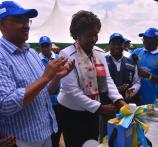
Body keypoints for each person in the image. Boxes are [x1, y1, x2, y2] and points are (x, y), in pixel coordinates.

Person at [0, 1, 73, 147]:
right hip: (21, 140)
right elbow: (6, 105)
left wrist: (56, 78)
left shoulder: (32, 53)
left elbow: (47, 91)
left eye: (27, 20)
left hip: (46, 132)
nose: (26, 25)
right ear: (2, 25)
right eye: (18, 20)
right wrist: (46, 77)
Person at [57, 10, 126, 147]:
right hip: (72, 113)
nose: (94, 39)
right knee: (76, 143)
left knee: (92, 142)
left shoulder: (99, 54)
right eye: (89, 35)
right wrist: (100, 108)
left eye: (96, 34)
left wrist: (119, 100)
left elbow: (107, 80)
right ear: (77, 35)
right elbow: (72, 91)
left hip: (92, 111)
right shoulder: (66, 55)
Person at [130, 27, 158, 104]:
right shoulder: (137, 52)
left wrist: (149, 76)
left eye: (147, 39)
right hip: (136, 99)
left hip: (153, 102)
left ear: (156, 41)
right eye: (143, 38)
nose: (144, 41)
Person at [38, 36, 62, 147]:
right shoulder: (37, 60)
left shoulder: (58, 58)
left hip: (59, 101)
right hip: (45, 102)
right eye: (43, 46)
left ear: (50, 45)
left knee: (58, 129)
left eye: (47, 45)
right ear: (40, 47)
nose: (45, 48)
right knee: (48, 129)